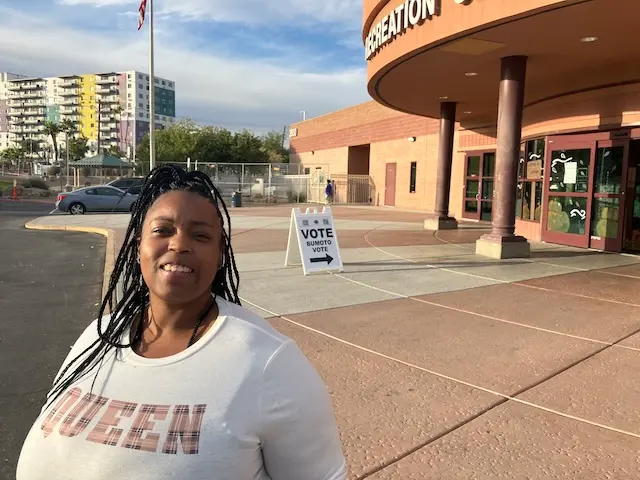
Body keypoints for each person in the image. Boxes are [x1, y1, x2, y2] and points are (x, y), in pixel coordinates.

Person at [17, 165, 347, 480]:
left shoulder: (268, 362)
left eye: (200, 236)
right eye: (162, 230)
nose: (178, 244)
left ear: (220, 256)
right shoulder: (99, 336)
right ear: (137, 248)